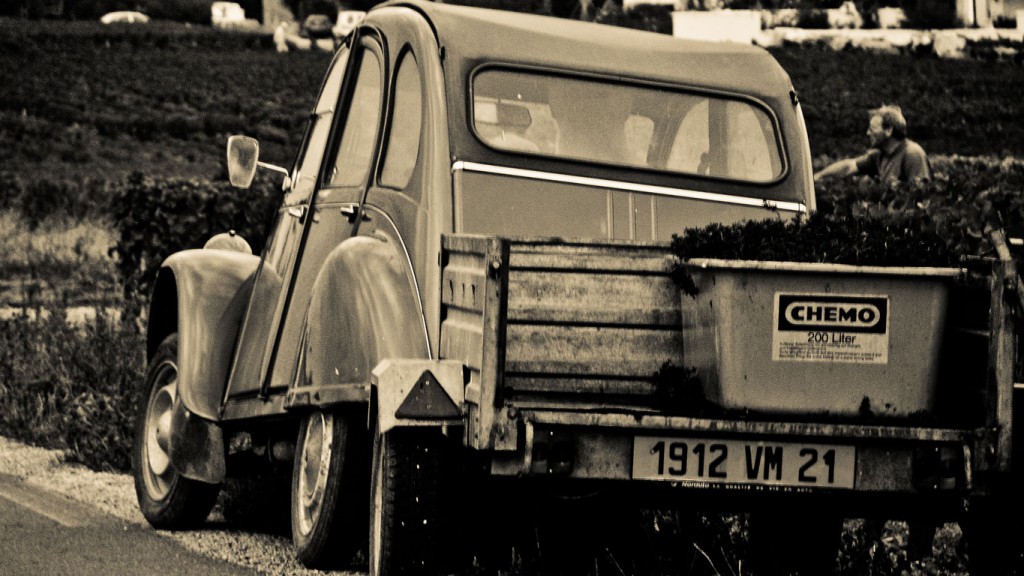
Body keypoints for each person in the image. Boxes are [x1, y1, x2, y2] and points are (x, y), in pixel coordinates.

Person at [814, 105, 930, 184]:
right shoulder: (878, 156)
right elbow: (848, 166)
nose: (868, 133)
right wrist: (819, 176)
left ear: (888, 130)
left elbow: (921, 195)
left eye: (872, 129)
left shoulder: (913, 154)